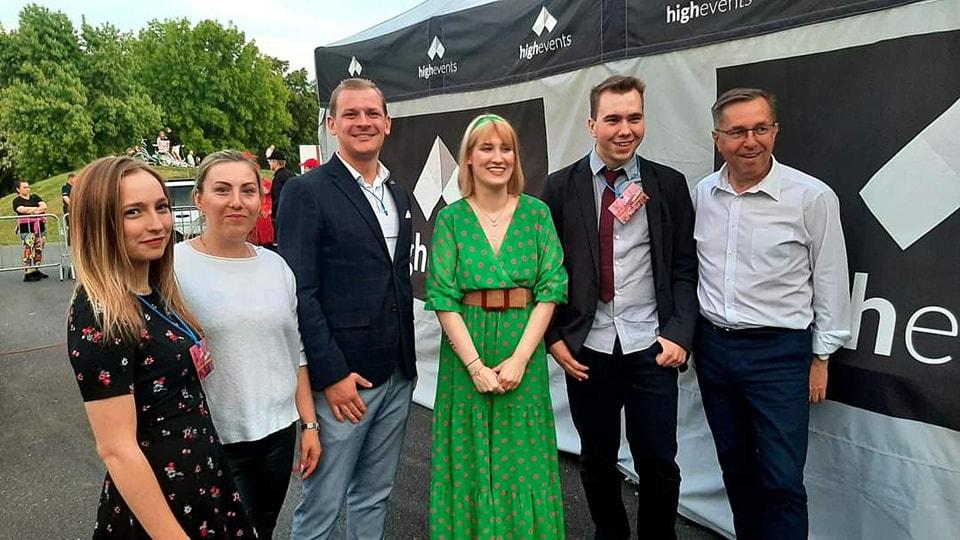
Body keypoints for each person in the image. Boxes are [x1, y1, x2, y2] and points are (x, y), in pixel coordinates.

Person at [542, 75, 698, 540]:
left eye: (634, 118)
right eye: (612, 119)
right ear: (592, 124)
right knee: (596, 457)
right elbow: (543, 273)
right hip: (587, 348)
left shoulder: (669, 185)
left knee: (658, 460)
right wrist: (554, 338)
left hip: (652, 345)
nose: (624, 130)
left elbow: (685, 268)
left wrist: (679, 333)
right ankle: (610, 533)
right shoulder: (559, 187)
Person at [65, 156, 255, 538]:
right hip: (160, 508)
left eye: (161, 207)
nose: (157, 224)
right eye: (133, 212)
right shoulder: (99, 314)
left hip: (203, 482)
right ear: (99, 222)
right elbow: (117, 449)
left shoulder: (154, 292)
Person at [692, 88, 852, 539]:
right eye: (737, 131)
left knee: (782, 480)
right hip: (715, 351)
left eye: (761, 128)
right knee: (736, 470)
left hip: (779, 355)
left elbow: (831, 279)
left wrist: (821, 357)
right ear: (717, 138)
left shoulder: (811, 197)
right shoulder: (704, 194)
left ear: (775, 131)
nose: (751, 141)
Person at [278, 77, 417, 539]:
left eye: (372, 113)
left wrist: (406, 367)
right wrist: (332, 375)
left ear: (387, 123)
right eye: (351, 114)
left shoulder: (397, 193)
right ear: (332, 124)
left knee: (374, 497)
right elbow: (300, 292)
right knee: (322, 504)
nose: (363, 122)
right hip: (344, 383)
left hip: (397, 374)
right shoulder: (306, 191)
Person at [425, 114, 569, 538]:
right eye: (486, 148)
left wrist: (521, 359)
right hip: (465, 357)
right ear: (468, 158)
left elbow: (551, 288)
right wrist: (474, 366)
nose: (498, 157)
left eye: (506, 148)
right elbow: (442, 296)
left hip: (522, 352)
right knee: (469, 457)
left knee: (523, 460)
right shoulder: (451, 219)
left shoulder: (537, 214)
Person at [174, 150, 321, 538]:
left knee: (261, 530)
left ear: (261, 199)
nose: (236, 201)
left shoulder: (277, 267)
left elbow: (295, 351)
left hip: (276, 434)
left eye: (248, 191)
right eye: (222, 190)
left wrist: (309, 425)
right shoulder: (172, 268)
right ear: (199, 199)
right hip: (211, 438)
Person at [12, 180, 49, 281]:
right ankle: (28, 271)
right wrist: (37, 209)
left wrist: (32, 212)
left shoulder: (35, 197)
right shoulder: (17, 201)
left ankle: (37, 269)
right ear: (18, 189)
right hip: (26, 228)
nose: (27, 189)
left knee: (39, 248)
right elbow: (21, 210)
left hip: (39, 227)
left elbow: (44, 206)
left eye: (28, 187)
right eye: (24, 187)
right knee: (28, 248)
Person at [267, 150, 293, 227]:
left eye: (270, 161)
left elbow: (277, 197)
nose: (269, 163)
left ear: (275, 162)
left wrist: (274, 214)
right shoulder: (290, 174)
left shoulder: (279, 177)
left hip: (281, 215)